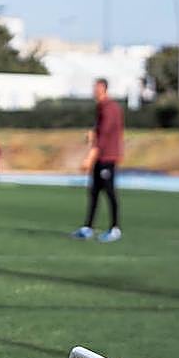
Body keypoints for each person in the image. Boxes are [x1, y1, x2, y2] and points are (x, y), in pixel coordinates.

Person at [73, 78, 123, 243]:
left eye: (97, 88)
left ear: (104, 89)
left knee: (109, 192)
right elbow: (100, 130)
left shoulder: (110, 108)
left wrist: (90, 157)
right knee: (94, 192)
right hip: (101, 156)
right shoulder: (101, 107)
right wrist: (92, 133)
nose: (94, 90)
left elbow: (105, 135)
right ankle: (88, 227)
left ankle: (115, 228)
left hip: (107, 156)